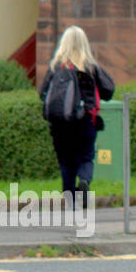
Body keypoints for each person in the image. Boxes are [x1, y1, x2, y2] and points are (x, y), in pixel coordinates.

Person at [38, 26, 114, 205]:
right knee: (85, 157)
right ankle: (85, 180)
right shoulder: (89, 66)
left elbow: (43, 93)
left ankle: (70, 201)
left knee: (66, 161)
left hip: (60, 123)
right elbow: (108, 90)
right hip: (85, 121)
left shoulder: (56, 66)